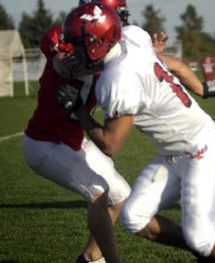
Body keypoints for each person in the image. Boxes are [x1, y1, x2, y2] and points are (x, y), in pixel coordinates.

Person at [56, 3, 215, 262]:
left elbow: (111, 144)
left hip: (201, 147)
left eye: (78, 44)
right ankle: (208, 253)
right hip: (174, 152)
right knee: (134, 217)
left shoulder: (117, 80)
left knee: (201, 238)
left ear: (96, 42)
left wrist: (78, 111)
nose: (73, 51)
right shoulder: (134, 36)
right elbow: (165, 61)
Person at [22, 1, 134, 262]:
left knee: (121, 195)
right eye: (116, 15)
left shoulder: (117, 53)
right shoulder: (66, 37)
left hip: (73, 140)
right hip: (44, 142)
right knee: (98, 192)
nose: (120, 22)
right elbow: (63, 64)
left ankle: (90, 258)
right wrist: (103, 64)